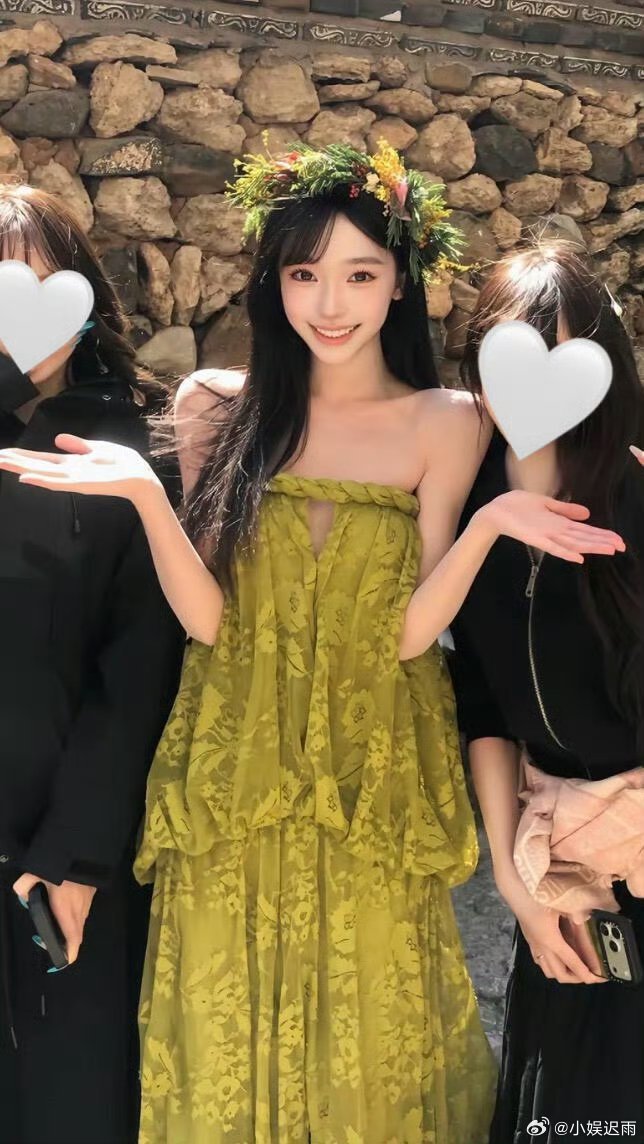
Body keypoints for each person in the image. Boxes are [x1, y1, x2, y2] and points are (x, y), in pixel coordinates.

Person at [0, 149, 623, 1143]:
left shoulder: (448, 420)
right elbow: (211, 621)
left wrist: (486, 527)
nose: (329, 304)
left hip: (375, 771)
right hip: (232, 768)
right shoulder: (214, 404)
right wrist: (143, 497)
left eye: (360, 274)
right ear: (273, 280)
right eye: (303, 273)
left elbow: (411, 634)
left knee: (376, 1042)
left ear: (400, 283)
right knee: (222, 1036)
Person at [449, 240, 644, 1143]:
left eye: (571, 358)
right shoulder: (467, 512)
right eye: (515, 356)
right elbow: (483, 708)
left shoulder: (636, 496)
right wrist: (518, 885)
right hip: (558, 863)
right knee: (564, 1114)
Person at [0, 185, 183, 1144]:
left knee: (72, 1099)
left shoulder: (137, 450)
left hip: (66, 857)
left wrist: (74, 857)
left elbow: (141, 668)